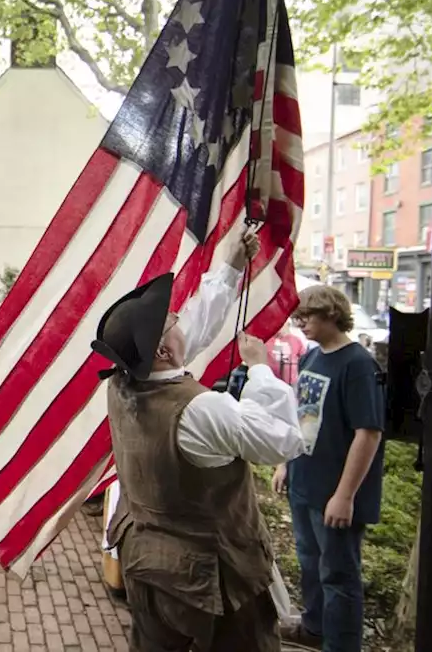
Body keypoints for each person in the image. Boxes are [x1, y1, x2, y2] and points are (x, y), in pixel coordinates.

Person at [97, 230, 304, 651]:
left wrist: (229, 266)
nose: (178, 318)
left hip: (145, 564)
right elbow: (282, 440)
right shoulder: (199, 409)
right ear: (161, 352)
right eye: (170, 320)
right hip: (213, 582)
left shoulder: (122, 385)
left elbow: (194, 328)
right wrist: (261, 371)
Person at [274, 286, 386, 652]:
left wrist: (345, 495)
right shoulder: (311, 357)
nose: (299, 322)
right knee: (309, 562)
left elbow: (368, 433)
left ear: (332, 314)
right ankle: (313, 628)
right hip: (304, 485)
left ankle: (340, 645)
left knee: (338, 575)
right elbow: (300, 417)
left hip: (334, 495)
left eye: (307, 315)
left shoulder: (358, 365)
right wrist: (284, 462)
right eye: (297, 316)